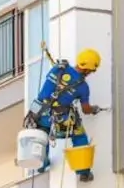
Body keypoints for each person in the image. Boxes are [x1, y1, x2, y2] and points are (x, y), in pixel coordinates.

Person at [23, 48, 103, 180]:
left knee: (42, 134)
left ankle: (42, 163)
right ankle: (83, 171)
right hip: (60, 118)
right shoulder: (83, 87)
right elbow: (86, 109)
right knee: (79, 136)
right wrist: (94, 109)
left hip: (37, 112)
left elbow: (50, 87)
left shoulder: (58, 68)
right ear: (88, 69)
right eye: (92, 71)